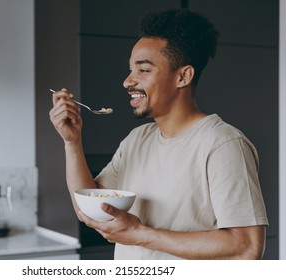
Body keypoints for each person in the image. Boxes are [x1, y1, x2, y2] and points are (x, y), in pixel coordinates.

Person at [49, 9, 268, 260]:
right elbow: (88, 210)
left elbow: (247, 247)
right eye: (131, 70)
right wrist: (72, 142)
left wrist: (140, 233)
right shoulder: (137, 139)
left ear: (183, 76)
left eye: (143, 70)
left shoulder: (224, 144)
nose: (127, 81)